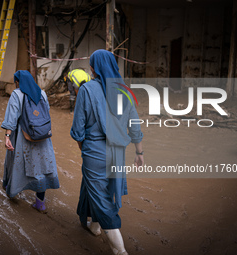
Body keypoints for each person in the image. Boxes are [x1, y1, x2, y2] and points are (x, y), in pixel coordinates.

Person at [70, 50, 144, 255]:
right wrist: (139, 152)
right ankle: (94, 226)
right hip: (118, 154)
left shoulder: (86, 90)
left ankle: (120, 251)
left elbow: (78, 130)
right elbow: (134, 125)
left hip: (95, 153)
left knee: (102, 201)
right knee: (102, 191)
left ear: (93, 68)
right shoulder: (125, 90)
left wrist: (84, 150)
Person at [1, 70, 60, 213]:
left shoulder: (17, 94)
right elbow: (45, 113)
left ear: (17, 82)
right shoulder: (42, 93)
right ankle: (40, 204)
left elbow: (12, 118)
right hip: (42, 138)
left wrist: (7, 136)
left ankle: (13, 193)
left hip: (23, 138)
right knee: (42, 169)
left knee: (18, 165)